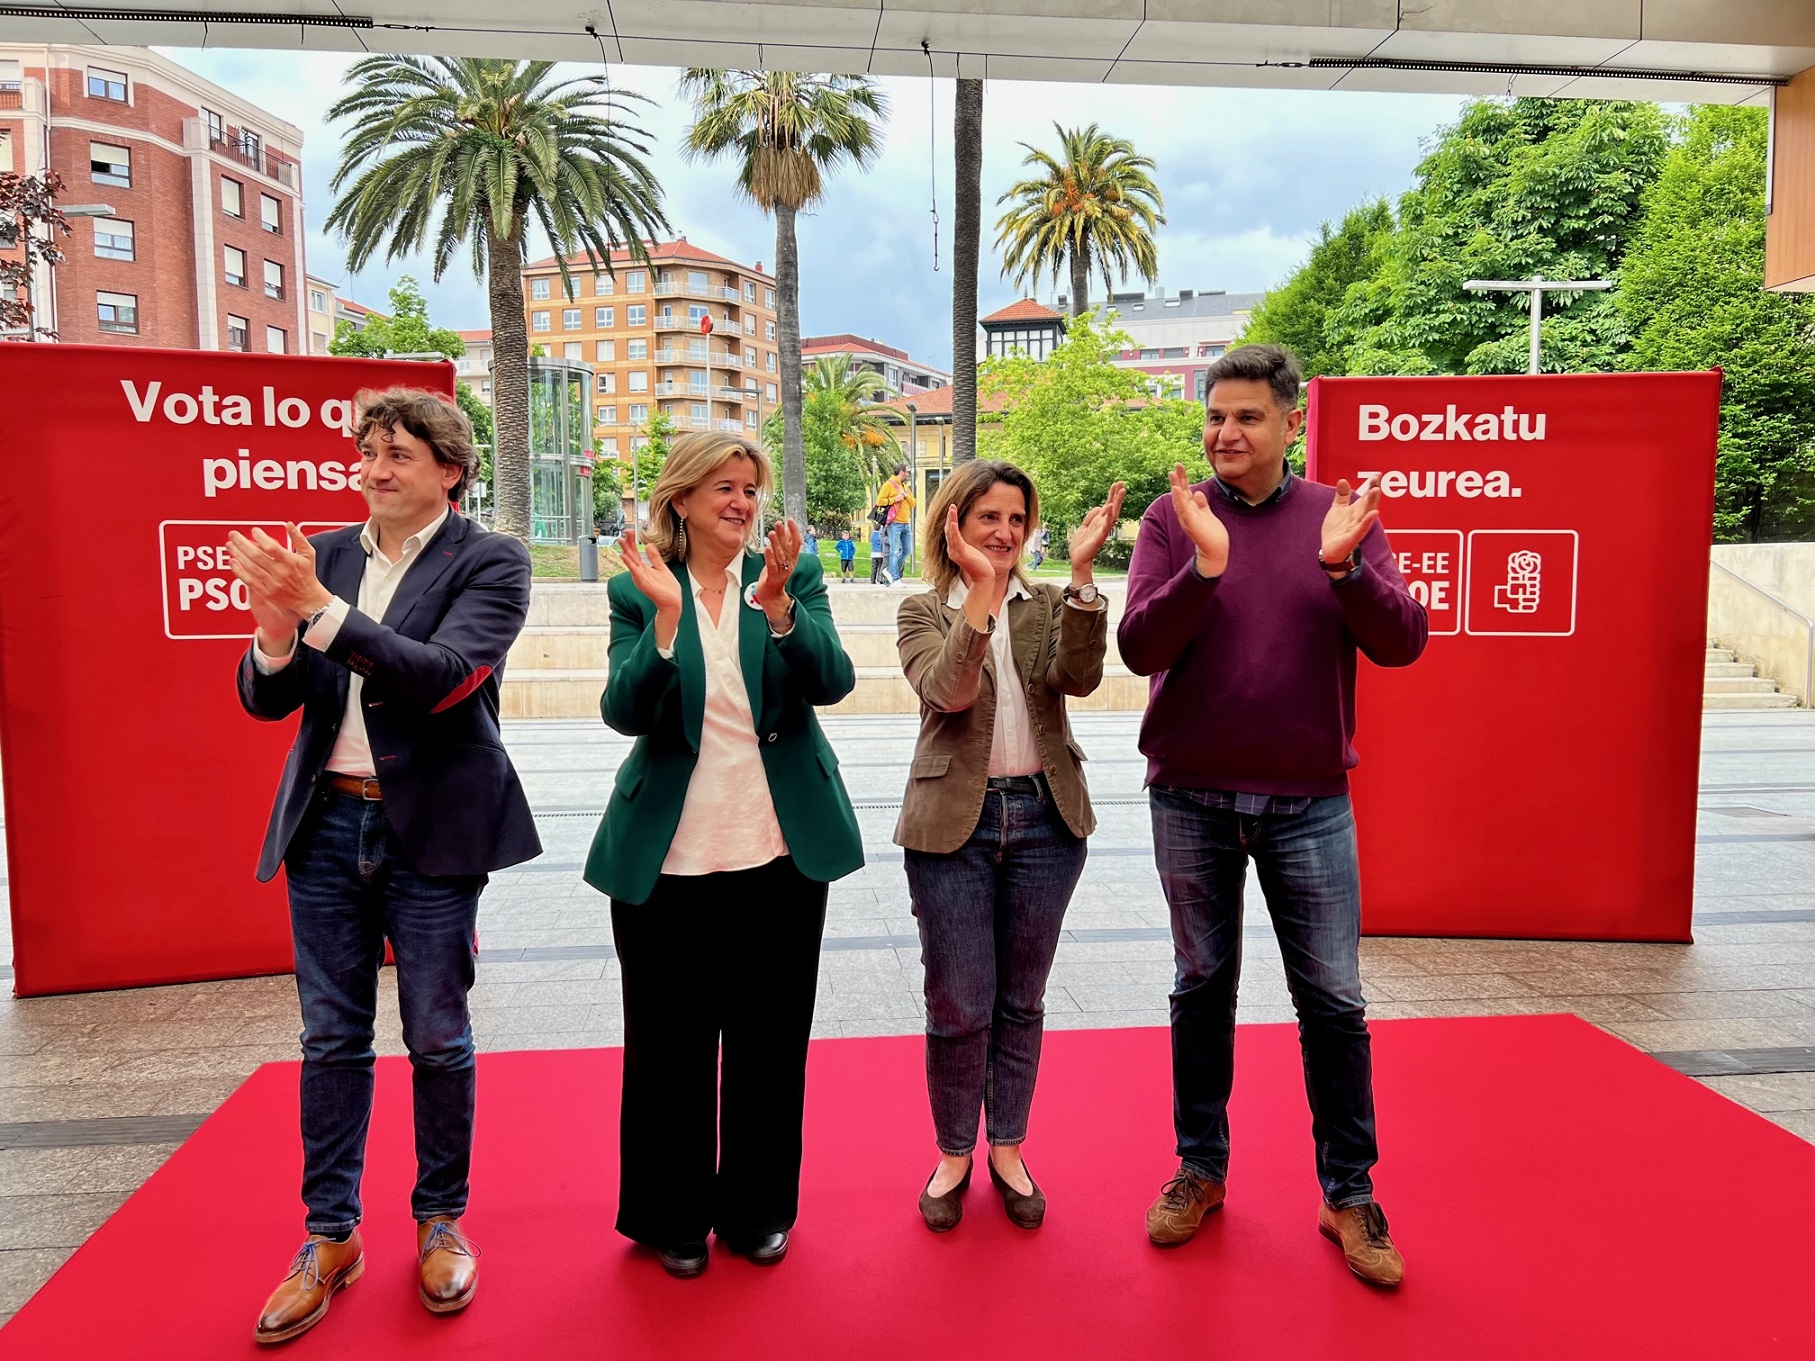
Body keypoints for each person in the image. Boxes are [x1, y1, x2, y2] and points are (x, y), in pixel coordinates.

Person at [229, 388, 540, 1344]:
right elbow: (263, 700)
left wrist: (318, 612)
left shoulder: (492, 560)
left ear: (450, 469)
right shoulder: (320, 554)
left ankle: (439, 1218)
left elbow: (442, 678)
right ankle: (330, 1235)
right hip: (324, 825)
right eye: (366, 451)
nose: (372, 469)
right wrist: (275, 632)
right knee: (331, 1038)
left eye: (397, 453)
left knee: (437, 1036)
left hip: (433, 832)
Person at [1117, 344, 1427, 1287]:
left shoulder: (1339, 518)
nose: (1225, 434)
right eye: (1215, 416)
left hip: (1308, 804)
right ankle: (1199, 1170)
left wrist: (1344, 569)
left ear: (1290, 422)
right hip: (1190, 796)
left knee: (1332, 1001)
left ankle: (1348, 1193)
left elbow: (1402, 640)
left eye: (1247, 417)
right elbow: (1137, 647)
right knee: (1199, 986)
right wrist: (1202, 569)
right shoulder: (1177, 521)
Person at [584, 431, 863, 1279]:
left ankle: (756, 1210)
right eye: (722, 487)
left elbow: (833, 681)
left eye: (750, 487)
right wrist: (664, 623)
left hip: (778, 851)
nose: (741, 502)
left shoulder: (793, 576)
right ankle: (672, 1216)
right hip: (665, 859)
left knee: (769, 1044)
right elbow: (624, 712)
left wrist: (780, 609)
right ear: (681, 499)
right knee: (667, 1048)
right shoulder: (640, 589)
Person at [896, 461, 1126, 1233]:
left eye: (1015, 520)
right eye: (986, 517)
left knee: (1019, 1000)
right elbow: (948, 691)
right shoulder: (922, 609)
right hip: (949, 827)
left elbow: (1081, 677)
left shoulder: (1053, 602)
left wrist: (1087, 573)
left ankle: (1008, 1147)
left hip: (1043, 820)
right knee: (958, 1002)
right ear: (952, 522)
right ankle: (953, 1153)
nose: (1003, 532)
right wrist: (980, 594)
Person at [876, 463, 916, 583]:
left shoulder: (904, 487)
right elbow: (879, 501)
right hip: (894, 523)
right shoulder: (888, 485)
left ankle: (889, 569)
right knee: (894, 550)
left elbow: (913, 503)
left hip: (905, 523)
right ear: (902, 472)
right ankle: (895, 578)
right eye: (908, 472)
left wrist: (905, 496)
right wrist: (895, 499)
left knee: (907, 550)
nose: (909, 474)